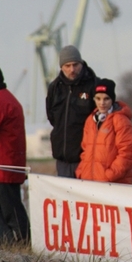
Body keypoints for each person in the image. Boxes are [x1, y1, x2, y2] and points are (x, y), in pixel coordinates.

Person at [0, 63, 30, 243]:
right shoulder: (8, 99)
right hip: (5, 165)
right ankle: (13, 243)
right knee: (7, 209)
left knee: (6, 210)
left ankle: (15, 243)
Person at [46, 45, 98, 178]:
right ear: (61, 67)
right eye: (67, 66)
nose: (72, 69)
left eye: (75, 65)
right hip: (62, 158)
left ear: (81, 63)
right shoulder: (54, 88)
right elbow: (51, 116)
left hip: (86, 157)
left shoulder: (93, 85)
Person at [76, 79, 132, 183]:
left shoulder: (121, 120)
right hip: (89, 184)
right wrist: (81, 172)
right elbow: (85, 150)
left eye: (106, 99)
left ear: (112, 99)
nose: (102, 103)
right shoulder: (90, 120)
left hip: (114, 184)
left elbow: (128, 153)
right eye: (98, 98)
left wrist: (108, 176)